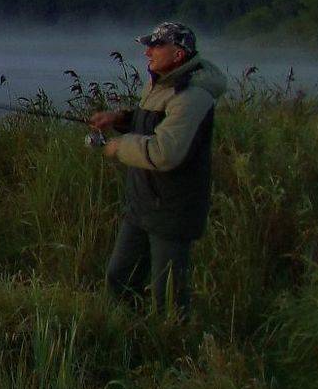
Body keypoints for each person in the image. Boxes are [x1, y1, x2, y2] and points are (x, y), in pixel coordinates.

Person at [87, 22, 228, 316]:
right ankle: (127, 332)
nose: (147, 52)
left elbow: (165, 152)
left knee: (169, 297)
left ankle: (172, 340)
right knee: (119, 277)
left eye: (156, 46)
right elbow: (154, 122)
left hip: (172, 209)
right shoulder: (159, 82)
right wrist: (119, 119)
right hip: (142, 205)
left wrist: (118, 146)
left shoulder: (191, 95)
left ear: (178, 54)